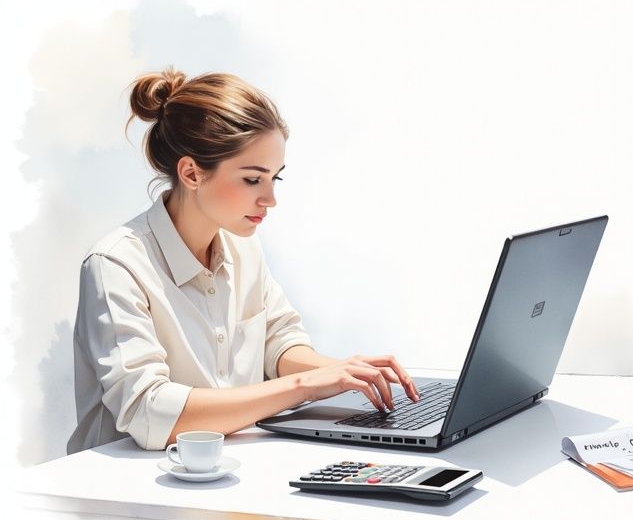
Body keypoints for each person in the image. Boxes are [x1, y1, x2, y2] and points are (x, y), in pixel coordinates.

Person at [67, 67, 419, 454]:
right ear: (191, 173)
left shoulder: (243, 248)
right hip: (124, 496)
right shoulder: (116, 265)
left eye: (275, 179)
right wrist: (305, 386)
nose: (270, 199)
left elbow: (279, 345)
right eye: (253, 179)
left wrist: (347, 374)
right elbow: (149, 414)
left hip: (229, 478)